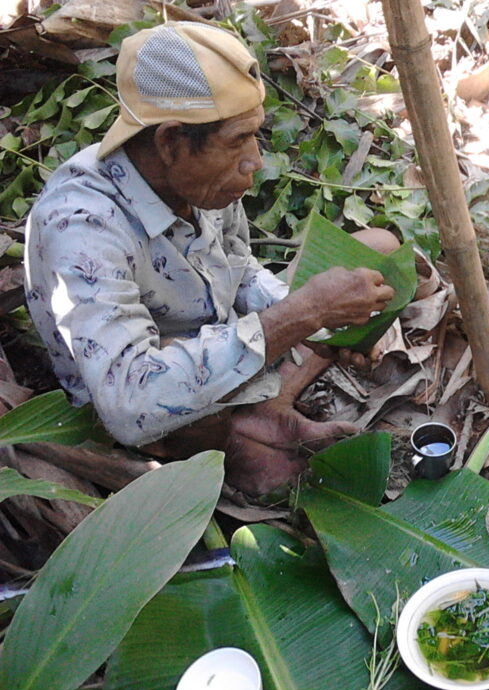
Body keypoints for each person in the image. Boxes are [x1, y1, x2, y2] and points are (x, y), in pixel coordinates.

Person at [23, 21, 399, 496]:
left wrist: (323, 321)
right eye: (238, 139)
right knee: (269, 470)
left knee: (378, 251)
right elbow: (130, 403)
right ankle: (233, 449)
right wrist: (306, 311)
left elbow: (239, 269)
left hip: (223, 344)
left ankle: (266, 411)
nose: (255, 161)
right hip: (156, 401)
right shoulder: (82, 229)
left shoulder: (197, 181)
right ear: (172, 141)